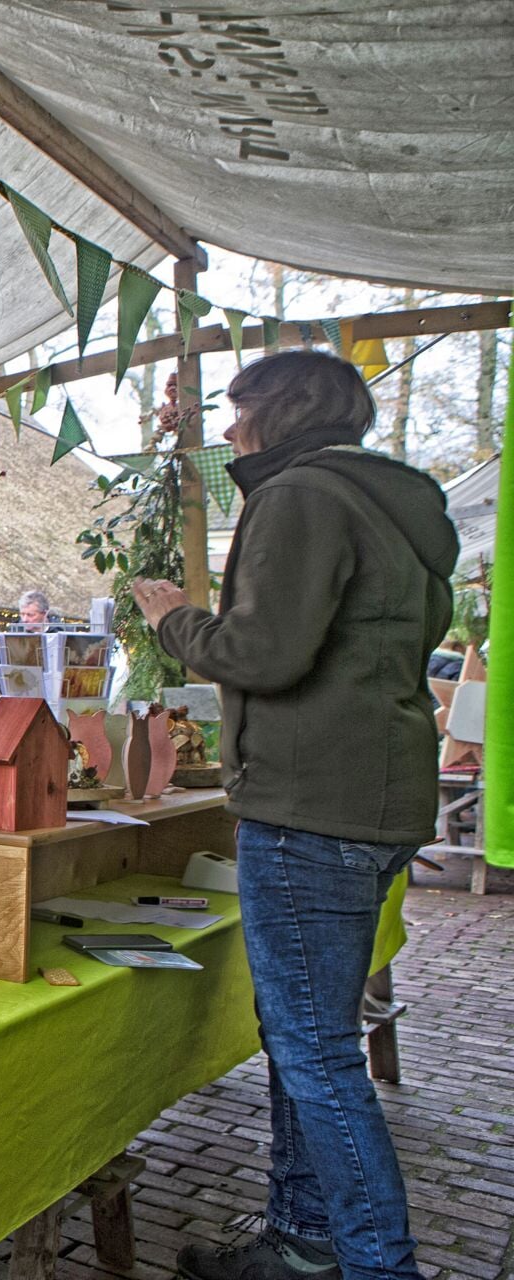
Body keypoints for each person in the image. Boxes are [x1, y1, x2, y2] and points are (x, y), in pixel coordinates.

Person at [131, 350, 454, 1280]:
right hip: (378, 800)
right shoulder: (398, 507)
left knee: (314, 1056)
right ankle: (305, 1240)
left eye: (239, 413)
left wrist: (173, 618)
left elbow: (263, 653)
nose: (231, 432)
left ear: (283, 413)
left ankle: (374, 1264)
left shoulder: (303, 496)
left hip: (313, 810)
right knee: (311, 1041)